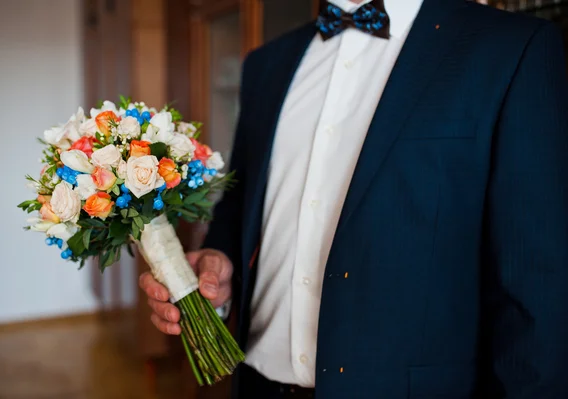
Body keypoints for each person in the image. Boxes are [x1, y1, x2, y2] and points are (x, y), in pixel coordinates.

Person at [140, 0, 568, 397]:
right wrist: (218, 263)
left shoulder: (512, 49)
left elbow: (536, 283)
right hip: (258, 382)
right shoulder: (266, 64)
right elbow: (239, 208)